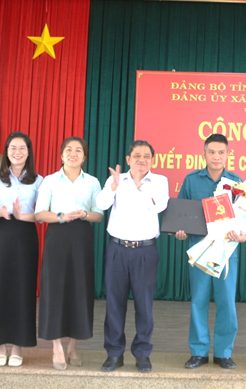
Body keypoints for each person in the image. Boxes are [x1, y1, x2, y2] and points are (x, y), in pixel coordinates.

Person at [175, 133, 246, 369]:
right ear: (204, 154)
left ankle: (224, 353)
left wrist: (242, 234)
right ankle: (199, 352)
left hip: (227, 251)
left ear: (228, 155)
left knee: (227, 302)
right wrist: (180, 231)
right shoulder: (191, 180)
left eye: (221, 152)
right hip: (199, 249)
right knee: (199, 300)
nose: (216, 156)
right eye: (212, 152)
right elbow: (181, 214)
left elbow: (245, 218)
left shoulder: (236, 182)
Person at [97, 140, 169, 373]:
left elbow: (160, 206)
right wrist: (114, 186)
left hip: (145, 251)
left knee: (144, 305)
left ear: (152, 160)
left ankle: (142, 353)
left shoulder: (160, 181)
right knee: (114, 304)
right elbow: (101, 204)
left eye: (146, 156)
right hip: (117, 249)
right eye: (137, 155)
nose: (141, 160)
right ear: (128, 159)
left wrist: (139, 186)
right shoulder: (116, 179)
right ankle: (114, 353)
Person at [35, 137, 103, 370]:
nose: (73, 153)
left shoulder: (92, 182)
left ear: (84, 157)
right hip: (57, 236)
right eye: (68, 150)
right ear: (61, 155)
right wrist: (61, 216)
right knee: (55, 289)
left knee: (79, 289)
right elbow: (40, 213)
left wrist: (85, 215)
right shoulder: (50, 180)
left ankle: (73, 346)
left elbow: (98, 214)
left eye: (78, 150)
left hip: (82, 237)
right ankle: (56, 347)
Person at [0, 132, 43, 367]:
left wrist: (22, 215)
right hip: (1, 233)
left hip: (25, 236)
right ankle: (0, 348)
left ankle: (17, 347)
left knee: (22, 289)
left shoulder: (38, 180)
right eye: (13, 148)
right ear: (6, 152)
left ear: (29, 152)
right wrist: (2, 212)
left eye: (22, 148)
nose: (17, 152)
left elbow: (41, 213)